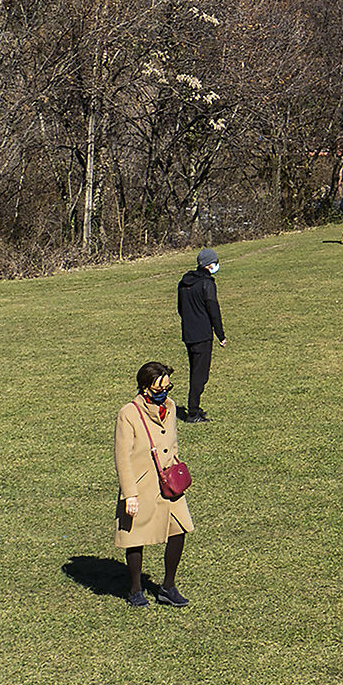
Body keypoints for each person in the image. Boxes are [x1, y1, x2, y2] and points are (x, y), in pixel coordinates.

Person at [116, 361, 195, 609]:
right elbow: (122, 457)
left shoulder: (170, 408)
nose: (164, 393)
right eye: (159, 388)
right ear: (144, 387)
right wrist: (130, 494)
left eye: (167, 387)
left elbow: (171, 443)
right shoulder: (128, 414)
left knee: (179, 529)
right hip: (141, 486)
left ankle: (168, 587)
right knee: (134, 537)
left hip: (169, 485)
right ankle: (135, 589)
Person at [176, 249, 226, 422]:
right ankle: (193, 412)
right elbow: (214, 310)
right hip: (203, 335)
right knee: (201, 375)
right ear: (209, 264)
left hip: (189, 334)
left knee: (194, 371)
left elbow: (180, 309)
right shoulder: (207, 284)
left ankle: (194, 407)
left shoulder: (184, 283)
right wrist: (221, 335)